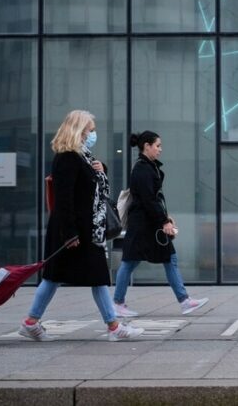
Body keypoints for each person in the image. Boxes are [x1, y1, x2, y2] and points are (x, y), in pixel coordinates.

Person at [20, 110, 143, 342]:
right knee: (73, 277)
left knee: (65, 277)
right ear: (79, 130)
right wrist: (69, 233)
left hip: (85, 230)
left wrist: (100, 170)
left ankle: (31, 323)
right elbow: (64, 198)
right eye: (91, 130)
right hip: (75, 231)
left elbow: (90, 189)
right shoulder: (67, 157)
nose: (93, 134)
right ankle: (114, 328)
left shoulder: (82, 157)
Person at [113, 131, 209, 317]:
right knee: (130, 262)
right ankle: (118, 303)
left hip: (148, 225)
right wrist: (163, 221)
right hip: (143, 226)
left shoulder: (148, 167)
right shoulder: (142, 169)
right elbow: (149, 200)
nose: (160, 149)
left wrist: (165, 218)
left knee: (161, 259)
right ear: (146, 146)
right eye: (157, 145)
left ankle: (184, 301)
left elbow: (154, 200)